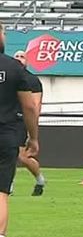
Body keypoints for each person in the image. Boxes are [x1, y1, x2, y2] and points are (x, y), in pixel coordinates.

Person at [0, 22, 40, 237]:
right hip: (5, 136)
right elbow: (29, 107)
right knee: (1, 194)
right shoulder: (14, 69)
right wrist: (33, 138)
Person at [12, 50, 45, 196]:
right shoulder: (7, 76)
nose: (19, 59)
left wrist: (32, 127)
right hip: (6, 120)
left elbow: (35, 105)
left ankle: (39, 179)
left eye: (22, 57)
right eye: (16, 56)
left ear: (28, 61)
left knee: (21, 156)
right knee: (7, 154)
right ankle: (8, 186)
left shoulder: (32, 81)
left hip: (21, 122)